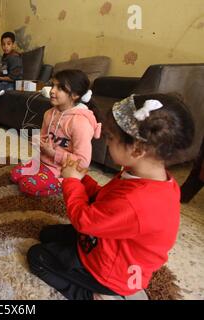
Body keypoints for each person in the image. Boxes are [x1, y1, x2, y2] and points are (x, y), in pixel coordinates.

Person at [27, 93, 195, 300]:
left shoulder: (137, 201)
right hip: (108, 242)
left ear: (137, 149)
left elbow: (83, 221)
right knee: (47, 234)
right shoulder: (148, 177)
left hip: (111, 273)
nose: (106, 143)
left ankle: (93, 296)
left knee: (37, 257)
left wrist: (71, 182)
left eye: (110, 138)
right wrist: (82, 179)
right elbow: (106, 202)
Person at [10, 69, 101, 197]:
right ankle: (42, 174)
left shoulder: (80, 123)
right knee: (15, 175)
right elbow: (44, 137)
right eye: (53, 85)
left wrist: (53, 153)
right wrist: (37, 141)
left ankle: (66, 183)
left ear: (74, 95)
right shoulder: (49, 113)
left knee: (28, 186)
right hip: (43, 162)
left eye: (60, 88)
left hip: (63, 170)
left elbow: (83, 161)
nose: (52, 90)